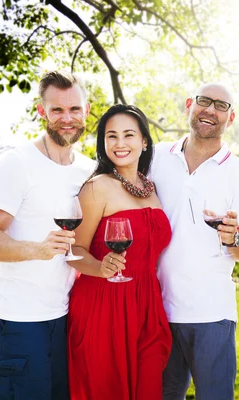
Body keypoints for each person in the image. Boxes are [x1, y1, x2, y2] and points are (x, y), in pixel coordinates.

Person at [151, 83, 239, 400]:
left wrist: (233, 236)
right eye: (204, 101)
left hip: (212, 314)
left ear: (231, 117)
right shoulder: (154, 157)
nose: (210, 110)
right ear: (189, 105)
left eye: (221, 105)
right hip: (159, 311)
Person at [0, 71, 94, 400]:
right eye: (57, 110)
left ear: (87, 110)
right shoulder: (16, 163)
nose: (67, 119)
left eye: (74, 109)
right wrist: (36, 249)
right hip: (18, 321)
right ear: (41, 111)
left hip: (65, 318)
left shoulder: (88, 170)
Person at [66, 104, 172, 399]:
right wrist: (100, 267)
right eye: (112, 136)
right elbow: (74, 250)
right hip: (102, 307)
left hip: (148, 305)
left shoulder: (152, 188)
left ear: (144, 141)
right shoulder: (97, 187)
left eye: (129, 135)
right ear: (103, 144)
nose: (120, 143)